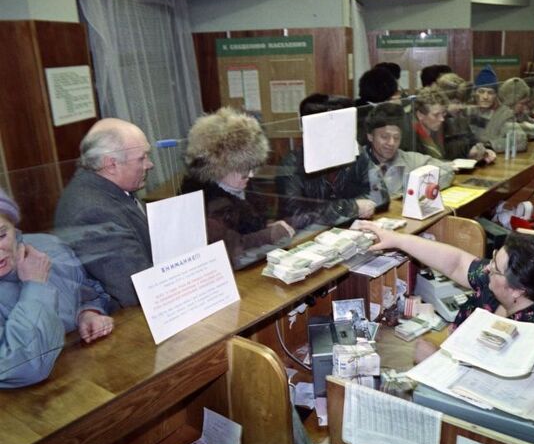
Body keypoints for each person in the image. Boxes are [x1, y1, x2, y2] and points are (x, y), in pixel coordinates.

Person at [357, 221, 534, 355]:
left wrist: (432, 359)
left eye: (495, 267)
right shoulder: (516, 282)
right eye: (493, 258)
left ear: (517, 290)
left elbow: (484, 386)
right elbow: (457, 263)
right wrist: (397, 239)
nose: (487, 268)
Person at [0, 189, 114, 388]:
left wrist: (87, 313)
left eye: (1, 235)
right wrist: (35, 286)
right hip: (33, 402)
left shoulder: (47, 246)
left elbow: (88, 290)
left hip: (86, 379)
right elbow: (24, 367)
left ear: (14, 226)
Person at [54, 118, 154, 308]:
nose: (150, 164)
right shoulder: (92, 211)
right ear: (111, 165)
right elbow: (136, 290)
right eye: (142, 158)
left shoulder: (105, 188)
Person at [180, 107, 295, 269]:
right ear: (219, 168)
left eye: (253, 167)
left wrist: (269, 224)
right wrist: (269, 234)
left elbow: (252, 224)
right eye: (243, 169)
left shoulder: (240, 187)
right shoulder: (208, 202)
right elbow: (229, 249)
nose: (251, 175)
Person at [277, 94, 388, 229]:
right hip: (307, 236)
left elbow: (381, 194)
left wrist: (344, 209)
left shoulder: (355, 152)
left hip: (348, 229)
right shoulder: (292, 164)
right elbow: (295, 215)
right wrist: (351, 207)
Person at [365, 102, 454, 201]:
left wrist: (413, 189)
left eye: (396, 137)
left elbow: (447, 170)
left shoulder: (408, 159)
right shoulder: (357, 164)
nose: (391, 143)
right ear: (370, 136)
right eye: (385, 137)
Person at [435, 73, 496, 163]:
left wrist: (486, 148)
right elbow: (445, 150)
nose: (461, 107)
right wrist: (468, 151)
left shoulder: (460, 116)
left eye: (463, 103)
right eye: (456, 103)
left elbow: (471, 138)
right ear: (443, 101)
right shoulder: (436, 122)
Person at [468, 67, 527, 153]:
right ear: (475, 93)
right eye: (481, 91)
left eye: (490, 92)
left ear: (496, 95)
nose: (485, 97)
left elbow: (519, 141)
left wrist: (489, 145)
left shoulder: (504, 114)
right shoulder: (469, 110)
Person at [410, 86, 449, 159]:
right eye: (436, 115)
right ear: (420, 115)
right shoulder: (412, 141)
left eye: (443, 113)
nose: (442, 119)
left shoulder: (439, 129)